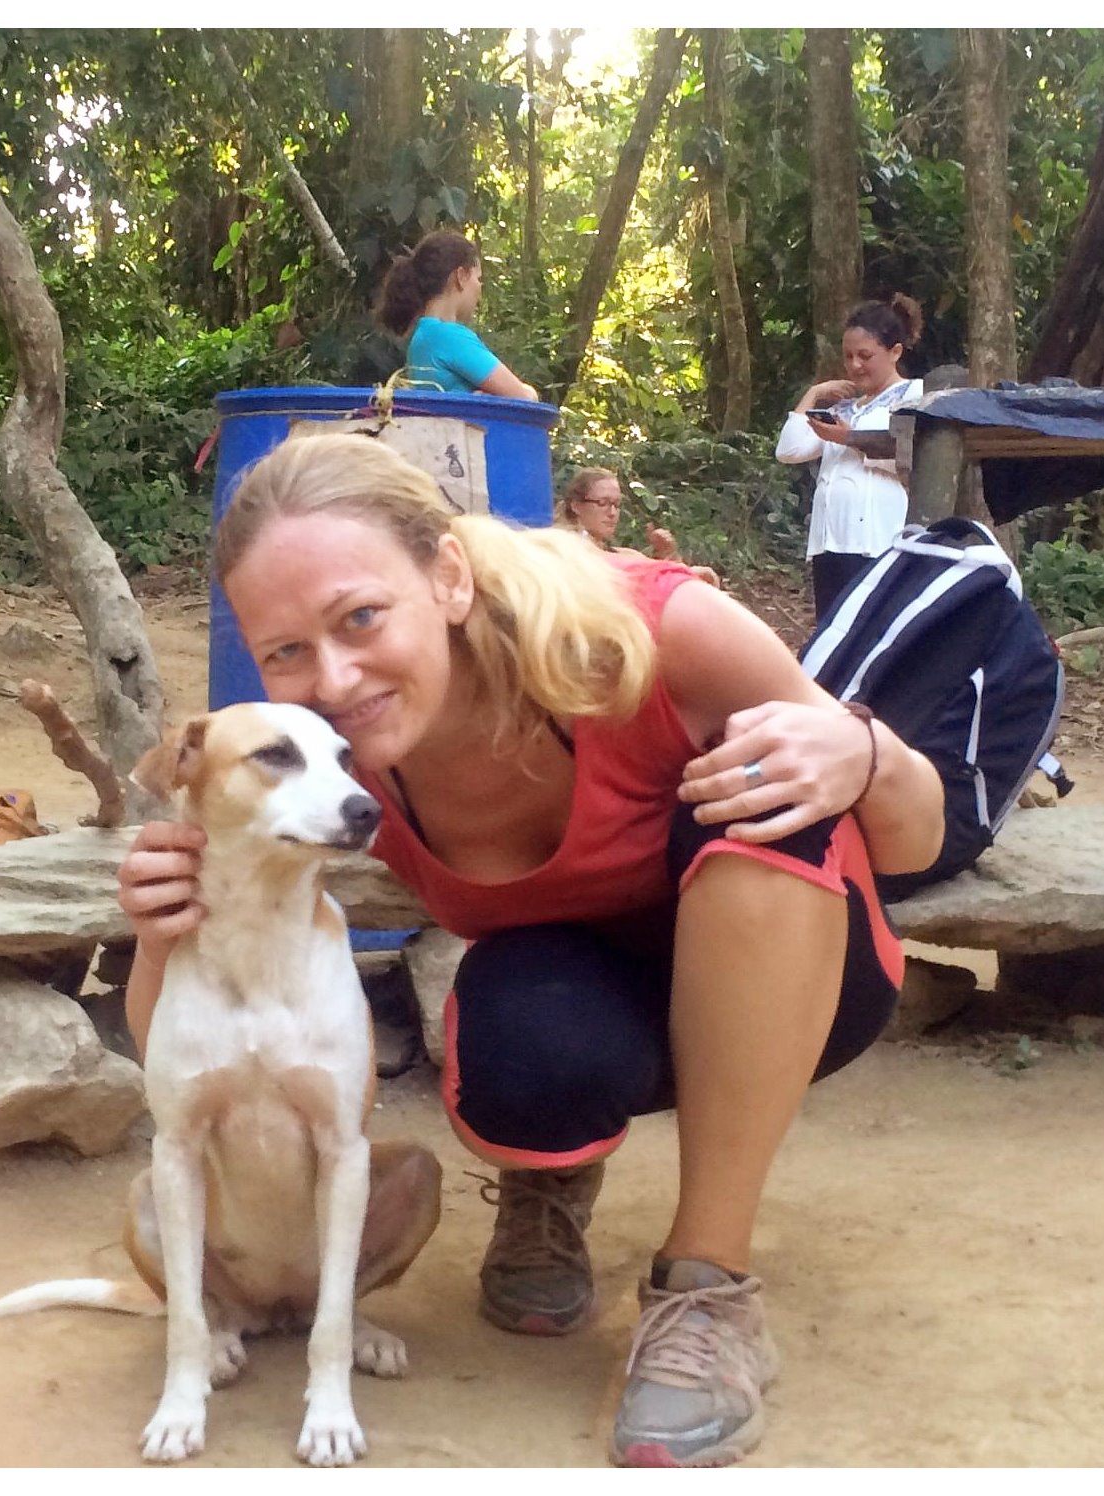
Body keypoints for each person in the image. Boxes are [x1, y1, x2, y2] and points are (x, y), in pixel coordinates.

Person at [116, 432, 945, 1467]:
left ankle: (707, 1286)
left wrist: (863, 749)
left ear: (448, 575)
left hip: (802, 968)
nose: (330, 674)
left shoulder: (650, 628)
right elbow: (179, 1057)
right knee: (508, 1016)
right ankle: (551, 1178)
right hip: (603, 993)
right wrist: (164, 930)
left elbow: (914, 840)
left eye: (360, 616)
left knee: (761, 803)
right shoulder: (342, 769)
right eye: (285, 650)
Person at [775, 293, 927, 619]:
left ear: (895, 352)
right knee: (833, 633)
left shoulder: (914, 396)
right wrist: (814, 393)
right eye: (848, 356)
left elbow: (913, 452)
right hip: (830, 542)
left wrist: (851, 439)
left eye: (865, 355)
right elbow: (789, 450)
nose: (855, 365)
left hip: (878, 539)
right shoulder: (844, 408)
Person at [378, 229, 540, 401]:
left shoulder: (421, 336)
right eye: (478, 279)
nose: (480, 288)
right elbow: (525, 399)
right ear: (461, 276)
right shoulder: (450, 337)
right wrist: (528, 391)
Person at [555, 466, 721, 588]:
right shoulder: (563, 550)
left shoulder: (623, 554)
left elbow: (671, 579)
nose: (612, 512)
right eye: (602, 503)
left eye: (617, 504)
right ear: (576, 506)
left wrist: (669, 555)